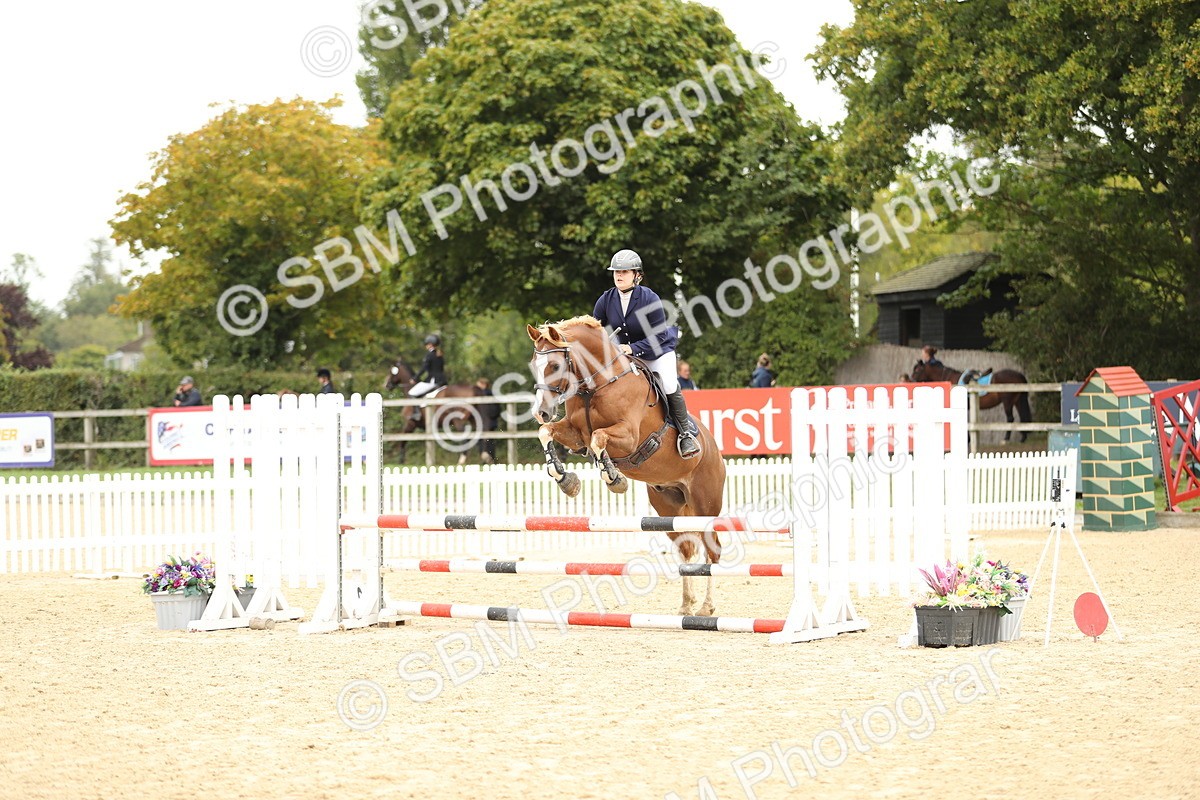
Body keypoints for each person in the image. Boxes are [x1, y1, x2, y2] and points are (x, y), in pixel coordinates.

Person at [592, 249, 700, 458]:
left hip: (658, 351)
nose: (619, 275)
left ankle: (685, 434)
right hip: (627, 354)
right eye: (616, 272)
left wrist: (631, 348)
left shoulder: (649, 298)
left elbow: (658, 336)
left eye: (624, 271)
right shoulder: (606, 299)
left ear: (637, 275)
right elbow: (595, 329)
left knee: (668, 384)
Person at [408, 334, 446, 419]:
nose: (426, 346)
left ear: (430, 344)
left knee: (411, 393)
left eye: (427, 344)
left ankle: (417, 414)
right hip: (443, 380)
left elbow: (424, 368)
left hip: (433, 380)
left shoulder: (429, 355)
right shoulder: (440, 354)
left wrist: (415, 378)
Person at [475, 377, 500, 464]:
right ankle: (489, 459)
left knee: (485, 442)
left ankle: (488, 459)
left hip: (486, 422)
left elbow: (494, 410)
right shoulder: (490, 394)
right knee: (488, 442)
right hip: (488, 422)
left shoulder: (485, 394)